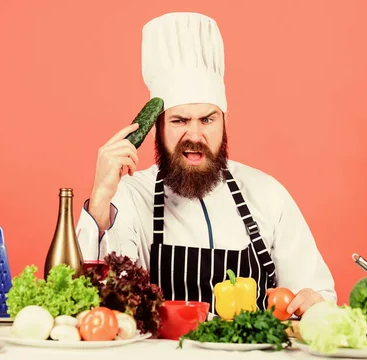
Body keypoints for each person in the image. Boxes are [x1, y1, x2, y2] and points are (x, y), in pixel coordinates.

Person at [76, 12, 336, 317]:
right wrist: (100, 199)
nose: (195, 135)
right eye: (180, 121)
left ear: (225, 122)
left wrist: (312, 302)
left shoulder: (267, 194)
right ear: (157, 127)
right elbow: (94, 297)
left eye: (207, 119)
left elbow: (316, 295)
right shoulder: (129, 197)